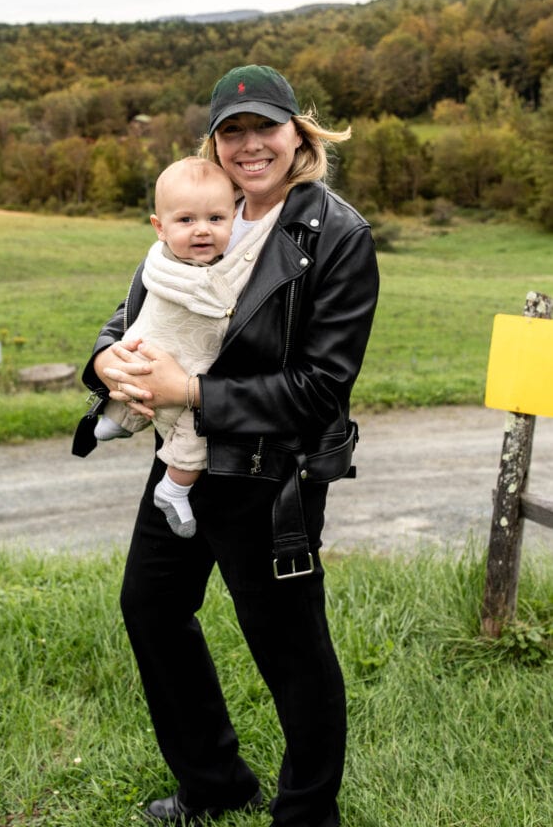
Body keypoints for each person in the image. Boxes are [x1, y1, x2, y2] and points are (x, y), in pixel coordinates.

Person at [81, 64, 379, 827]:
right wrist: (104, 357)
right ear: (214, 142)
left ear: (297, 133)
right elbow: (140, 307)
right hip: (181, 466)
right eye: (232, 131)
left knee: (289, 648)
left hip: (268, 475)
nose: (250, 145)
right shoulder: (202, 208)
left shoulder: (335, 236)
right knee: (150, 612)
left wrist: (192, 395)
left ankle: (306, 814)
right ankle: (215, 784)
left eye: (265, 128)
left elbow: (320, 389)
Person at [95, 156, 283, 538]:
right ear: (159, 228)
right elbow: (137, 309)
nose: (202, 231)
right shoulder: (164, 265)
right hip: (152, 359)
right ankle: (122, 420)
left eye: (216, 219)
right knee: (138, 368)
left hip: (198, 387)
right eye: (186, 221)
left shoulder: (191, 261)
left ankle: (172, 483)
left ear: (235, 219)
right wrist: (103, 356)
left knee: (197, 423)